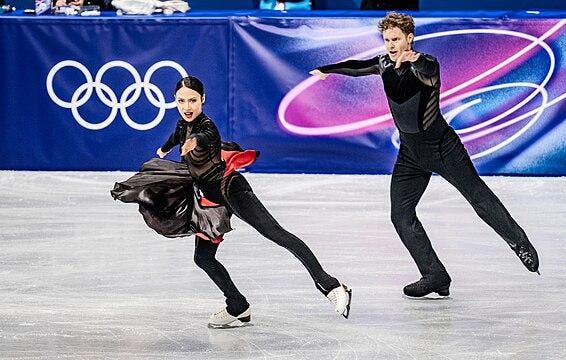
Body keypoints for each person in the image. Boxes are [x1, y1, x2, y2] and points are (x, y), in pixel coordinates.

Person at [310, 12, 539, 299]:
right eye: (387, 40)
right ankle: (435, 275)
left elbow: (428, 71)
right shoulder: (383, 63)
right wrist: (327, 69)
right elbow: (357, 67)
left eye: (397, 39)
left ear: (410, 38)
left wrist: (412, 59)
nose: (392, 45)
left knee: (477, 195)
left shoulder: (427, 63)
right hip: (410, 153)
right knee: (401, 215)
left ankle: (519, 242)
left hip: (443, 147)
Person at [112, 76, 351, 327]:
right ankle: (237, 306)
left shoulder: (207, 126)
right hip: (210, 200)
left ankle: (330, 284)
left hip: (231, 190)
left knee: (275, 233)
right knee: (203, 258)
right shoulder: (183, 125)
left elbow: (203, 137)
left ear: (202, 100)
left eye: (192, 100)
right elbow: (176, 135)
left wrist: (194, 142)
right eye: (181, 101)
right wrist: (163, 150)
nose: (187, 106)